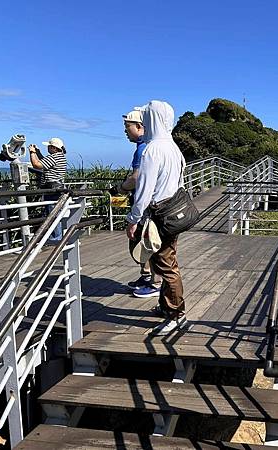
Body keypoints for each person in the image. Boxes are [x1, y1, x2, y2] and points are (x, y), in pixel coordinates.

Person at [126, 100, 187, 335]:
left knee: (166, 266)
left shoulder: (153, 149)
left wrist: (134, 219)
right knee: (167, 261)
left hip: (158, 215)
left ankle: (175, 314)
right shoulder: (173, 147)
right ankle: (166, 307)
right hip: (173, 213)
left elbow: (144, 189)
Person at [118, 110, 162, 297]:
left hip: (145, 205)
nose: (125, 131)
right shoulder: (149, 146)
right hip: (150, 204)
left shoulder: (143, 149)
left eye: (127, 127)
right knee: (143, 241)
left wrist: (120, 188)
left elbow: (136, 178)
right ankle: (146, 277)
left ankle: (155, 282)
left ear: (139, 127)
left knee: (145, 240)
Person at [28, 138, 67, 242]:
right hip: (58, 188)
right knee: (53, 213)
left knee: (52, 214)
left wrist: (32, 152)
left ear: (54, 148)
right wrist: (38, 153)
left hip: (52, 190)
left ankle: (55, 238)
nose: (47, 148)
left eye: (49, 146)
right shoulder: (60, 157)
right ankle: (54, 237)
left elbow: (37, 165)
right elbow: (46, 163)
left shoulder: (54, 157)